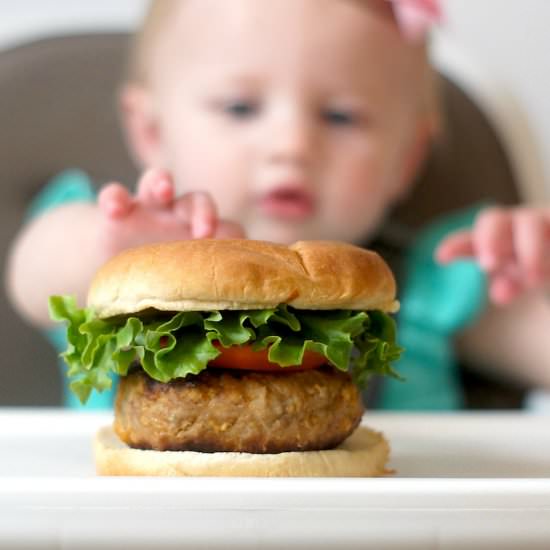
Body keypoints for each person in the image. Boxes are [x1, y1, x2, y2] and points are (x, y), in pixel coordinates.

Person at [5, 0, 550, 409]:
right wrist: (109, 252)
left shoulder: (434, 278)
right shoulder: (107, 228)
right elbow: (35, 277)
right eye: (241, 107)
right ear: (151, 130)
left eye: (340, 117)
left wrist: (533, 276)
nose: (291, 144)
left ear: (405, 161)